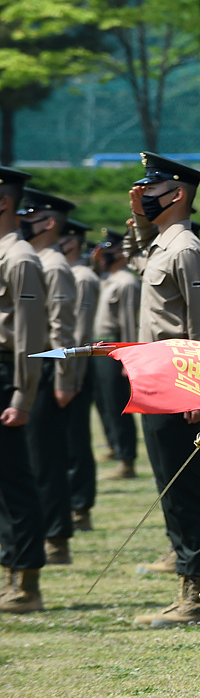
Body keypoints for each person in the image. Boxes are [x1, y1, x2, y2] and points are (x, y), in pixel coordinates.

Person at [127, 153, 200, 628]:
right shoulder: (164, 243)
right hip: (155, 376)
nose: (143, 195)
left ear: (177, 194)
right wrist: (138, 219)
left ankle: (199, 592)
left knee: (185, 486)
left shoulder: (185, 248)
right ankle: (187, 582)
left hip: (178, 378)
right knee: (169, 481)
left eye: (152, 188)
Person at [18, 191, 82, 567]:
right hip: (31, 363)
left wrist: (63, 376)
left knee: (46, 458)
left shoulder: (53, 264)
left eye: (33, 214)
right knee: (34, 456)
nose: (25, 220)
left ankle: (56, 536)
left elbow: (62, 325)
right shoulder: (39, 260)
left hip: (44, 367)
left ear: (49, 222)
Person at [0, 166, 48, 614]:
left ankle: (26, 581)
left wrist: (21, 394)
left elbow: (30, 337)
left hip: (8, 374)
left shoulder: (19, 258)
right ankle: (9, 570)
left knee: (15, 480)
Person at [92, 229, 140, 481]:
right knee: (105, 404)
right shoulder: (107, 279)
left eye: (108, 251)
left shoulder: (126, 282)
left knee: (118, 405)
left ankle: (127, 460)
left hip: (115, 351)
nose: (103, 256)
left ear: (121, 253)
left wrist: (129, 357)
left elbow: (129, 322)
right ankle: (115, 448)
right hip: (101, 350)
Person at [61, 220, 99, 533]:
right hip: (58, 366)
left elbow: (81, 330)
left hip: (74, 367)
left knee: (76, 440)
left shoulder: (82, 277)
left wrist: (72, 374)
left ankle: (80, 506)